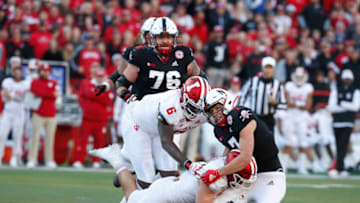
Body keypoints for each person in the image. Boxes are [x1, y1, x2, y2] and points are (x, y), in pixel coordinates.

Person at [120, 76, 210, 189]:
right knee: (146, 182)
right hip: (138, 124)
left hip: (159, 129)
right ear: (184, 97)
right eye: (192, 107)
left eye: (198, 109)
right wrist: (189, 164)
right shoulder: (170, 106)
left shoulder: (209, 107)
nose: (195, 112)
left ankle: (129, 161)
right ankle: (124, 163)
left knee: (170, 177)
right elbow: (166, 142)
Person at [199, 88, 286, 203]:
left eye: (218, 108)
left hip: (269, 175)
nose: (215, 113)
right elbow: (230, 149)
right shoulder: (219, 130)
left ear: (227, 103)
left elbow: (245, 158)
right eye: (211, 111)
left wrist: (218, 172)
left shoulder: (240, 116)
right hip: (244, 180)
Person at [89, 144, 256, 203]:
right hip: (163, 196)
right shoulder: (214, 181)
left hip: (172, 184)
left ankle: (139, 172)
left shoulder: (221, 163)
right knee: (131, 195)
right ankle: (116, 159)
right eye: (242, 179)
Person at [114, 16, 204, 103]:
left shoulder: (183, 53)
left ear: (174, 38)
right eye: (161, 37)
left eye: (168, 37)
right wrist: (126, 95)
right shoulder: (141, 55)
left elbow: (202, 79)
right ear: (153, 38)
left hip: (174, 107)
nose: (165, 41)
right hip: (146, 107)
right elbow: (121, 83)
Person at [94, 17, 157, 95]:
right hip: (140, 96)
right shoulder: (133, 51)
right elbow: (119, 73)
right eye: (149, 34)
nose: (151, 38)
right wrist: (105, 85)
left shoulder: (172, 53)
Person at [72, 67, 114, 169]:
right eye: (98, 76)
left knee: (99, 141)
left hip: (101, 118)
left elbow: (107, 100)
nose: (99, 79)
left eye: (101, 76)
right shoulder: (87, 83)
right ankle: (79, 160)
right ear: (95, 76)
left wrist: (93, 96)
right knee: (83, 140)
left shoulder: (107, 86)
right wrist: (99, 96)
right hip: (87, 117)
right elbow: (86, 94)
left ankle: (96, 161)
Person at [283, 67, 318, 174]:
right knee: (288, 142)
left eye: (301, 77)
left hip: (302, 118)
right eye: (297, 77)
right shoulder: (289, 86)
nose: (299, 79)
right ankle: (283, 166)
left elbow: (308, 106)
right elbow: (287, 103)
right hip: (290, 117)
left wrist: (295, 104)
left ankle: (302, 167)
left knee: (303, 142)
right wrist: (299, 104)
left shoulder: (308, 87)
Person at [239, 56, 287, 133]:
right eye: (266, 67)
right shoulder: (252, 81)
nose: (268, 70)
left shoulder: (278, 85)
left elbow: (283, 105)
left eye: (270, 68)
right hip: (254, 117)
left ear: (274, 69)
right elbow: (242, 98)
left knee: (268, 143)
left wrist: (275, 103)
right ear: (262, 68)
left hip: (269, 118)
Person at [26, 63, 60, 169]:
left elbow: (56, 94)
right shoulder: (35, 81)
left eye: (47, 71)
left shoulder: (53, 82)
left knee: (50, 138)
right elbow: (36, 92)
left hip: (51, 114)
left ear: (49, 72)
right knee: (35, 137)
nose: (44, 72)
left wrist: (45, 93)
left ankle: (49, 160)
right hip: (38, 113)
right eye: (43, 70)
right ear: (40, 71)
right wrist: (50, 94)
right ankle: (32, 159)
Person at [328, 69, 360, 178]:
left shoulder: (355, 91)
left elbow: (355, 107)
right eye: (345, 78)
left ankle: (340, 168)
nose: (347, 81)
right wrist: (347, 107)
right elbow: (331, 107)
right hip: (337, 123)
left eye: (348, 79)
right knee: (339, 145)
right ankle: (341, 168)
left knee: (343, 145)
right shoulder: (336, 90)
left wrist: (341, 104)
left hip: (348, 122)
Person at [0, 66, 29, 167]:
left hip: (19, 113)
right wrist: (15, 96)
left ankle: (15, 157)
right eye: (15, 72)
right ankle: (0, 156)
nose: (17, 74)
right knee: (2, 135)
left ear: (21, 73)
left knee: (17, 136)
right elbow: (5, 94)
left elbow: (24, 95)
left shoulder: (25, 83)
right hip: (8, 112)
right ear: (12, 73)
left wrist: (13, 96)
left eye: (19, 72)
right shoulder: (7, 81)